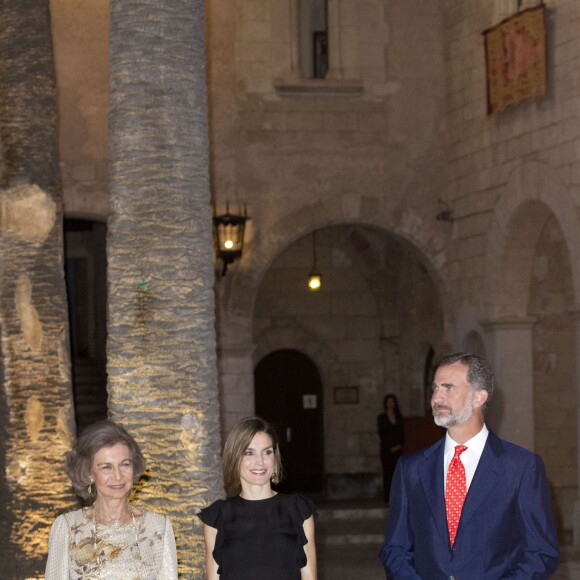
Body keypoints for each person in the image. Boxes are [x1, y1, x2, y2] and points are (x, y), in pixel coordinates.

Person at [380, 352, 560, 579]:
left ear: (478, 397)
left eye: (448, 388)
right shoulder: (411, 468)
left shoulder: (521, 467)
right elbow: (395, 549)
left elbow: (541, 552)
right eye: (435, 388)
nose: (436, 398)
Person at [45, 420, 178, 579]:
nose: (118, 476)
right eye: (106, 467)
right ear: (89, 473)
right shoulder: (67, 527)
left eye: (124, 464)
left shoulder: (158, 527)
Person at [198, 416, 317, 579]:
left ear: (275, 458)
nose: (260, 462)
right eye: (249, 453)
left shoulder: (297, 509)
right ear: (235, 458)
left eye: (267, 452)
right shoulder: (217, 516)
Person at [377, 394, 405, 504]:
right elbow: (382, 434)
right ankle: (387, 498)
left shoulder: (399, 417)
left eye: (392, 402)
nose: (390, 404)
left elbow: (402, 433)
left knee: (397, 474)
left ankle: (397, 497)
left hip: (398, 450)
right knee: (388, 473)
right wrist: (390, 447)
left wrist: (399, 445)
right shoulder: (382, 417)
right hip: (386, 450)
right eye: (388, 402)